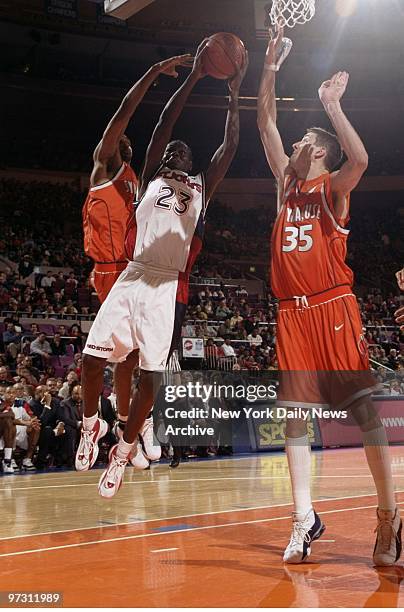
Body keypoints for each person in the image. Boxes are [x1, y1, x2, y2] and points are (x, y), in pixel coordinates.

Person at [77, 40, 247, 497]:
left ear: (191, 163)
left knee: (151, 374)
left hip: (166, 285)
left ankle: (124, 447)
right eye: (169, 150)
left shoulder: (201, 185)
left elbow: (231, 143)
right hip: (133, 272)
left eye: (181, 151)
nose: (174, 150)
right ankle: (92, 424)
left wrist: (235, 90)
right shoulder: (150, 173)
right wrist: (192, 76)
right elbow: (163, 123)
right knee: (91, 361)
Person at [257, 27, 401, 566]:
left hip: (333, 308)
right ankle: (302, 519)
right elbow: (265, 122)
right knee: (295, 418)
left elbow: (360, 160)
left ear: (317, 151)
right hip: (291, 315)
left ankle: (388, 521)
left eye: (300, 144)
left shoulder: (331, 188)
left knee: (362, 413)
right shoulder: (284, 187)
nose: (291, 147)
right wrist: (269, 67)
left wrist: (333, 105)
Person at [81, 54, 193, 464]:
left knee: (136, 357)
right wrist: (150, 74)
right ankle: (120, 420)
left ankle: (131, 425)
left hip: (137, 269)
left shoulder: (139, 179)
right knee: (119, 357)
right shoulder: (105, 167)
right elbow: (122, 116)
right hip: (111, 271)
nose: (125, 139)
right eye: (120, 138)